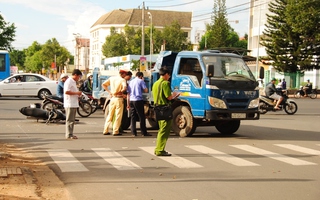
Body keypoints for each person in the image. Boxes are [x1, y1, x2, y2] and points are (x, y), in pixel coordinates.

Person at [152, 67, 179, 156]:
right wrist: (175, 95)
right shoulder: (165, 83)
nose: (169, 77)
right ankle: (160, 150)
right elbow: (169, 97)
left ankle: (158, 149)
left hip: (157, 108)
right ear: (166, 74)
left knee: (161, 129)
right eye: (169, 75)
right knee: (164, 130)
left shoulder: (155, 83)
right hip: (165, 109)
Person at [102, 69, 128, 136]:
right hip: (119, 99)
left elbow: (104, 84)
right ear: (123, 74)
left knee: (110, 115)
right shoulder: (122, 80)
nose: (125, 76)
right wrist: (121, 91)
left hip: (112, 98)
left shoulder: (112, 78)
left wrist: (109, 92)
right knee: (118, 115)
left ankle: (105, 130)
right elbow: (124, 88)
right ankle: (115, 131)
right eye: (125, 74)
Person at [127, 72, 151, 137]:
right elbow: (146, 90)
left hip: (131, 100)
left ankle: (133, 133)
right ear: (141, 76)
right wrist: (143, 81)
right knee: (141, 116)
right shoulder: (141, 81)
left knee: (133, 116)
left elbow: (128, 94)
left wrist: (128, 103)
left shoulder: (130, 82)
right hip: (138, 100)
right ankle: (143, 132)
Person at [64, 69, 82, 139]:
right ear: (75, 75)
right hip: (70, 103)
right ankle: (69, 134)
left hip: (73, 102)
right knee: (70, 120)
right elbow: (66, 91)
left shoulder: (73, 82)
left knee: (72, 120)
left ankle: (70, 133)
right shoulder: (68, 81)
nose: (79, 78)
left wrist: (78, 94)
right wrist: (76, 93)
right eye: (78, 76)